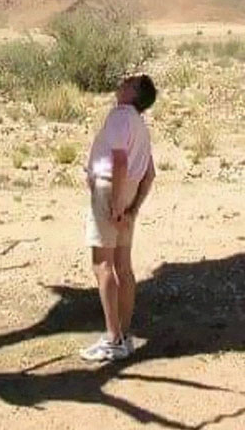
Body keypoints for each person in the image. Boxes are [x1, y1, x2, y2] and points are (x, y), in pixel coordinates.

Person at [80, 74, 157, 362]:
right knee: (124, 267)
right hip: (129, 193)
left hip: (110, 190)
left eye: (130, 81)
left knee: (102, 264)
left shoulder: (119, 116)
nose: (123, 82)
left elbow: (119, 160)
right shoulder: (140, 125)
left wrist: (113, 204)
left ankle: (112, 338)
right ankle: (123, 336)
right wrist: (132, 208)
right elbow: (149, 174)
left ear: (134, 93)